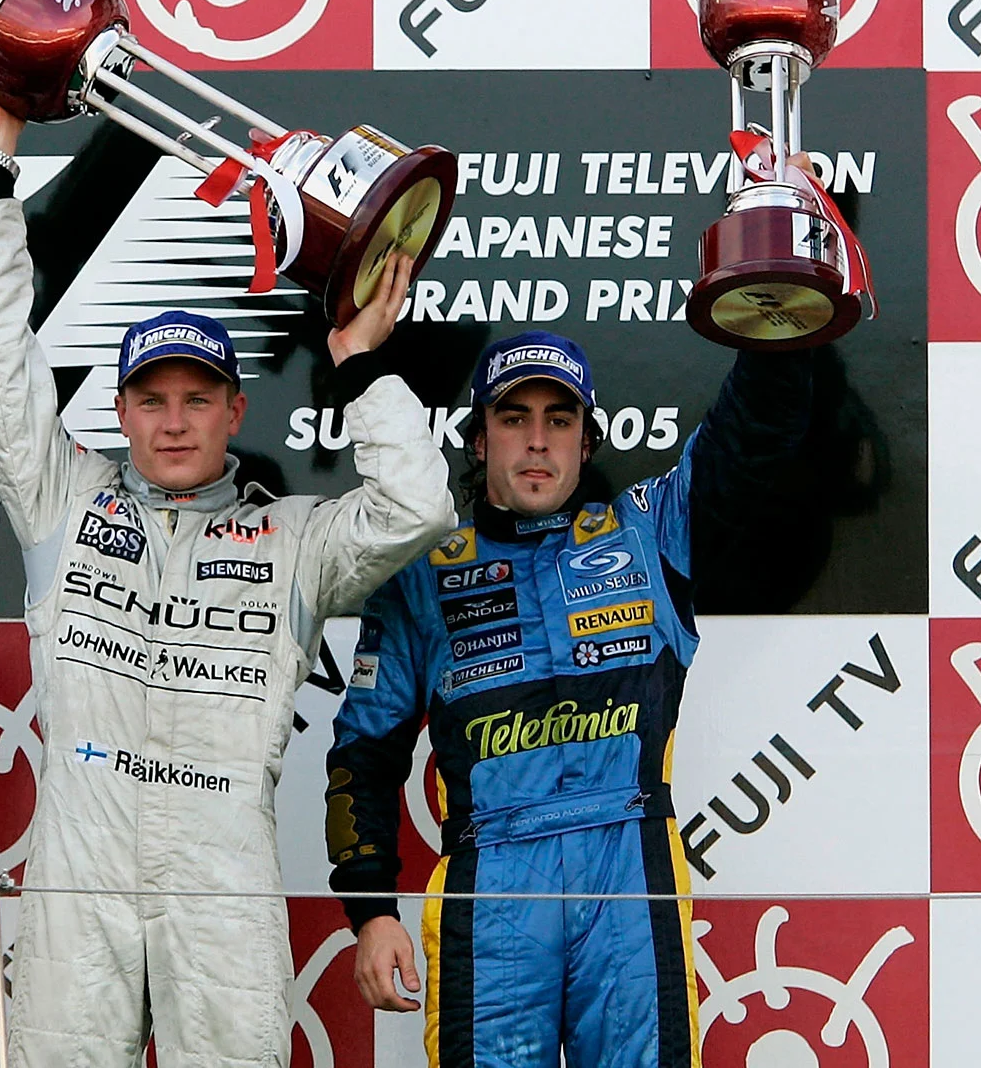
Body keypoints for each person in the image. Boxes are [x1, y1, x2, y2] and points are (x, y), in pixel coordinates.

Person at [0, 83, 457, 1068]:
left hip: (222, 878)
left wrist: (356, 360)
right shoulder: (63, 499)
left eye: (197, 398)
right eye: (151, 399)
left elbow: (416, 508)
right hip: (78, 875)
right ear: (122, 414)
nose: (173, 420)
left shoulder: (296, 541)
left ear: (235, 414)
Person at [325, 332, 813, 1068]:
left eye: (560, 420)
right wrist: (369, 911)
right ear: (478, 438)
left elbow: (754, 435)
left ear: (587, 443)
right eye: (513, 417)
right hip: (490, 889)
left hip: (629, 872)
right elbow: (362, 754)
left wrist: (773, 321)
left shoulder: (648, 532)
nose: (536, 441)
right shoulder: (420, 576)